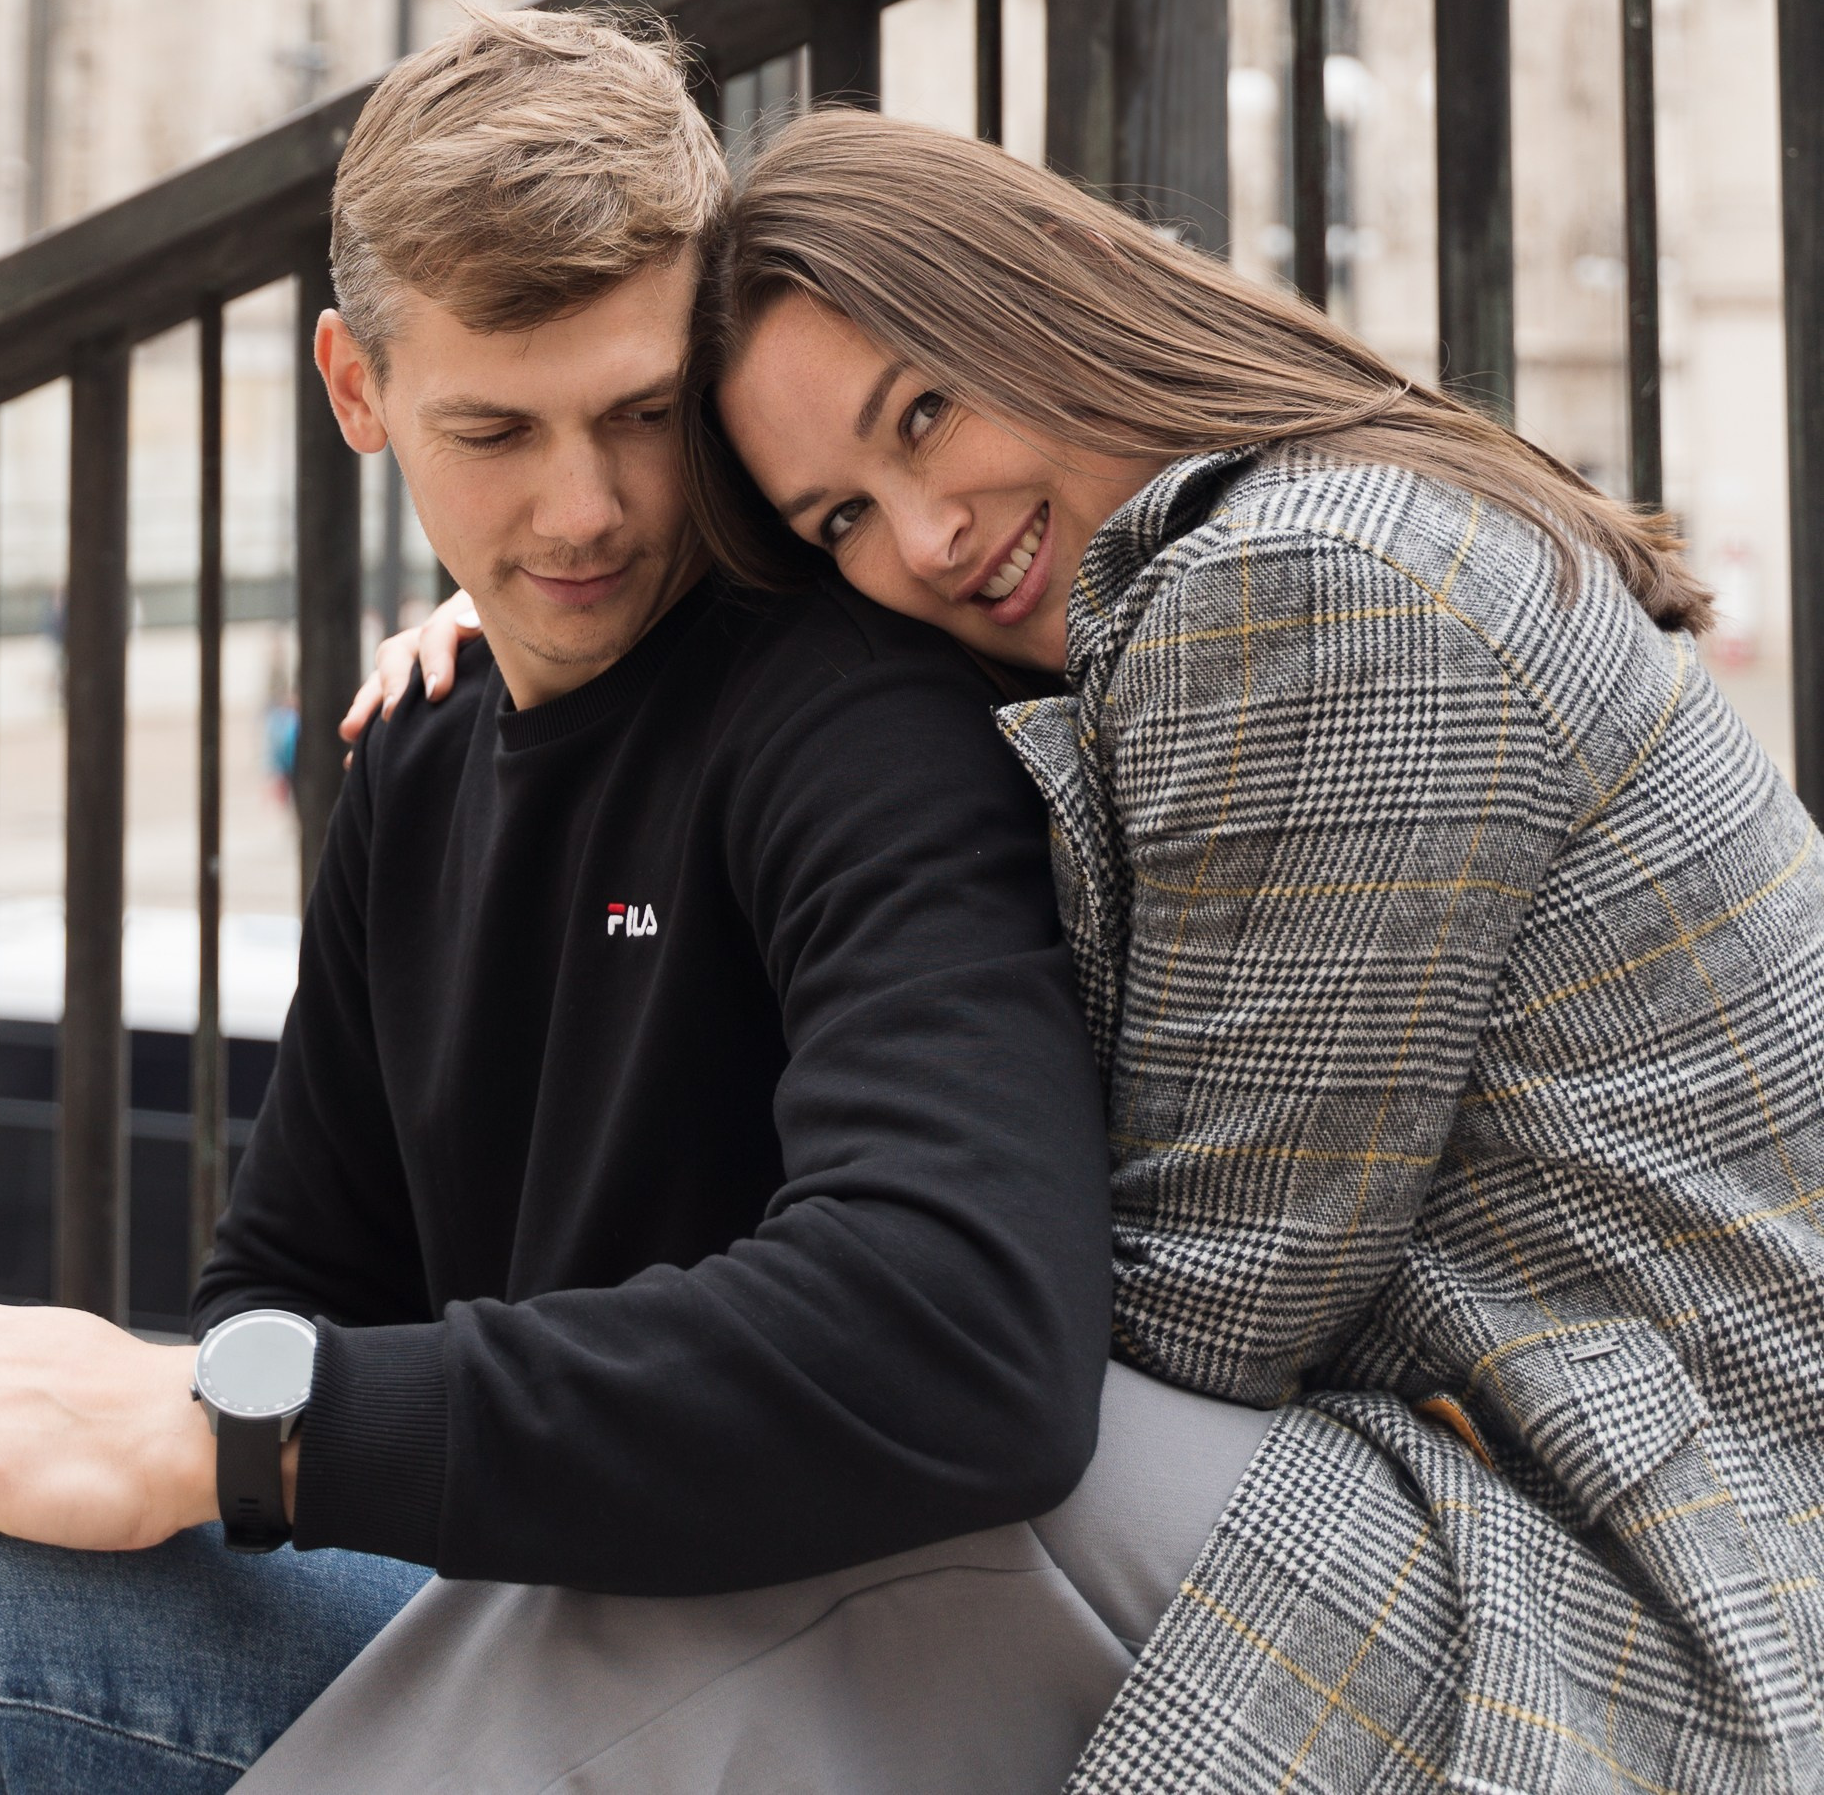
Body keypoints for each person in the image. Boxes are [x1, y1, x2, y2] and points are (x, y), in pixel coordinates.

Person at [0, 12, 1162, 1795]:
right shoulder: (420, 755)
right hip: (510, 1604)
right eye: (495, 428)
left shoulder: (854, 721)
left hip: (775, 1642)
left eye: (643, 415)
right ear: (357, 390)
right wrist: (137, 1413)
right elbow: (286, 1285)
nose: (582, 505)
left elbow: (966, 1328)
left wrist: (245, 1425)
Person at [368, 105, 1824, 1794]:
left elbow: (1190, 1314)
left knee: (924, 1427)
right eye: (838, 516)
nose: (923, 537)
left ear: (1044, 307)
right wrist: (577, 605)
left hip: (1669, 1606)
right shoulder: (1271, 549)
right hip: (1556, 1501)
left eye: (926, 412)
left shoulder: (1309, 593)